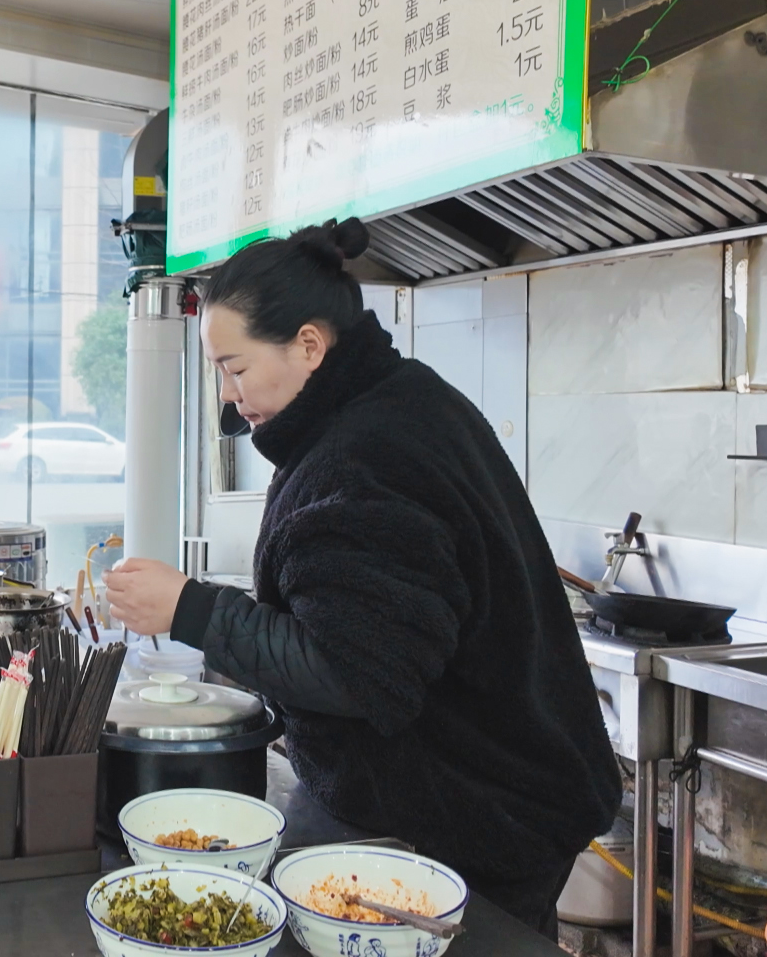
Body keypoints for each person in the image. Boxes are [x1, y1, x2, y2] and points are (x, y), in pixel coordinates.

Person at [104, 218, 619, 938]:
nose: (226, 395)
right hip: (478, 797)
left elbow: (355, 673)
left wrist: (190, 609)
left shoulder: (367, 456)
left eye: (236, 368)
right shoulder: (388, 404)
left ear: (309, 346)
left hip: (474, 816)